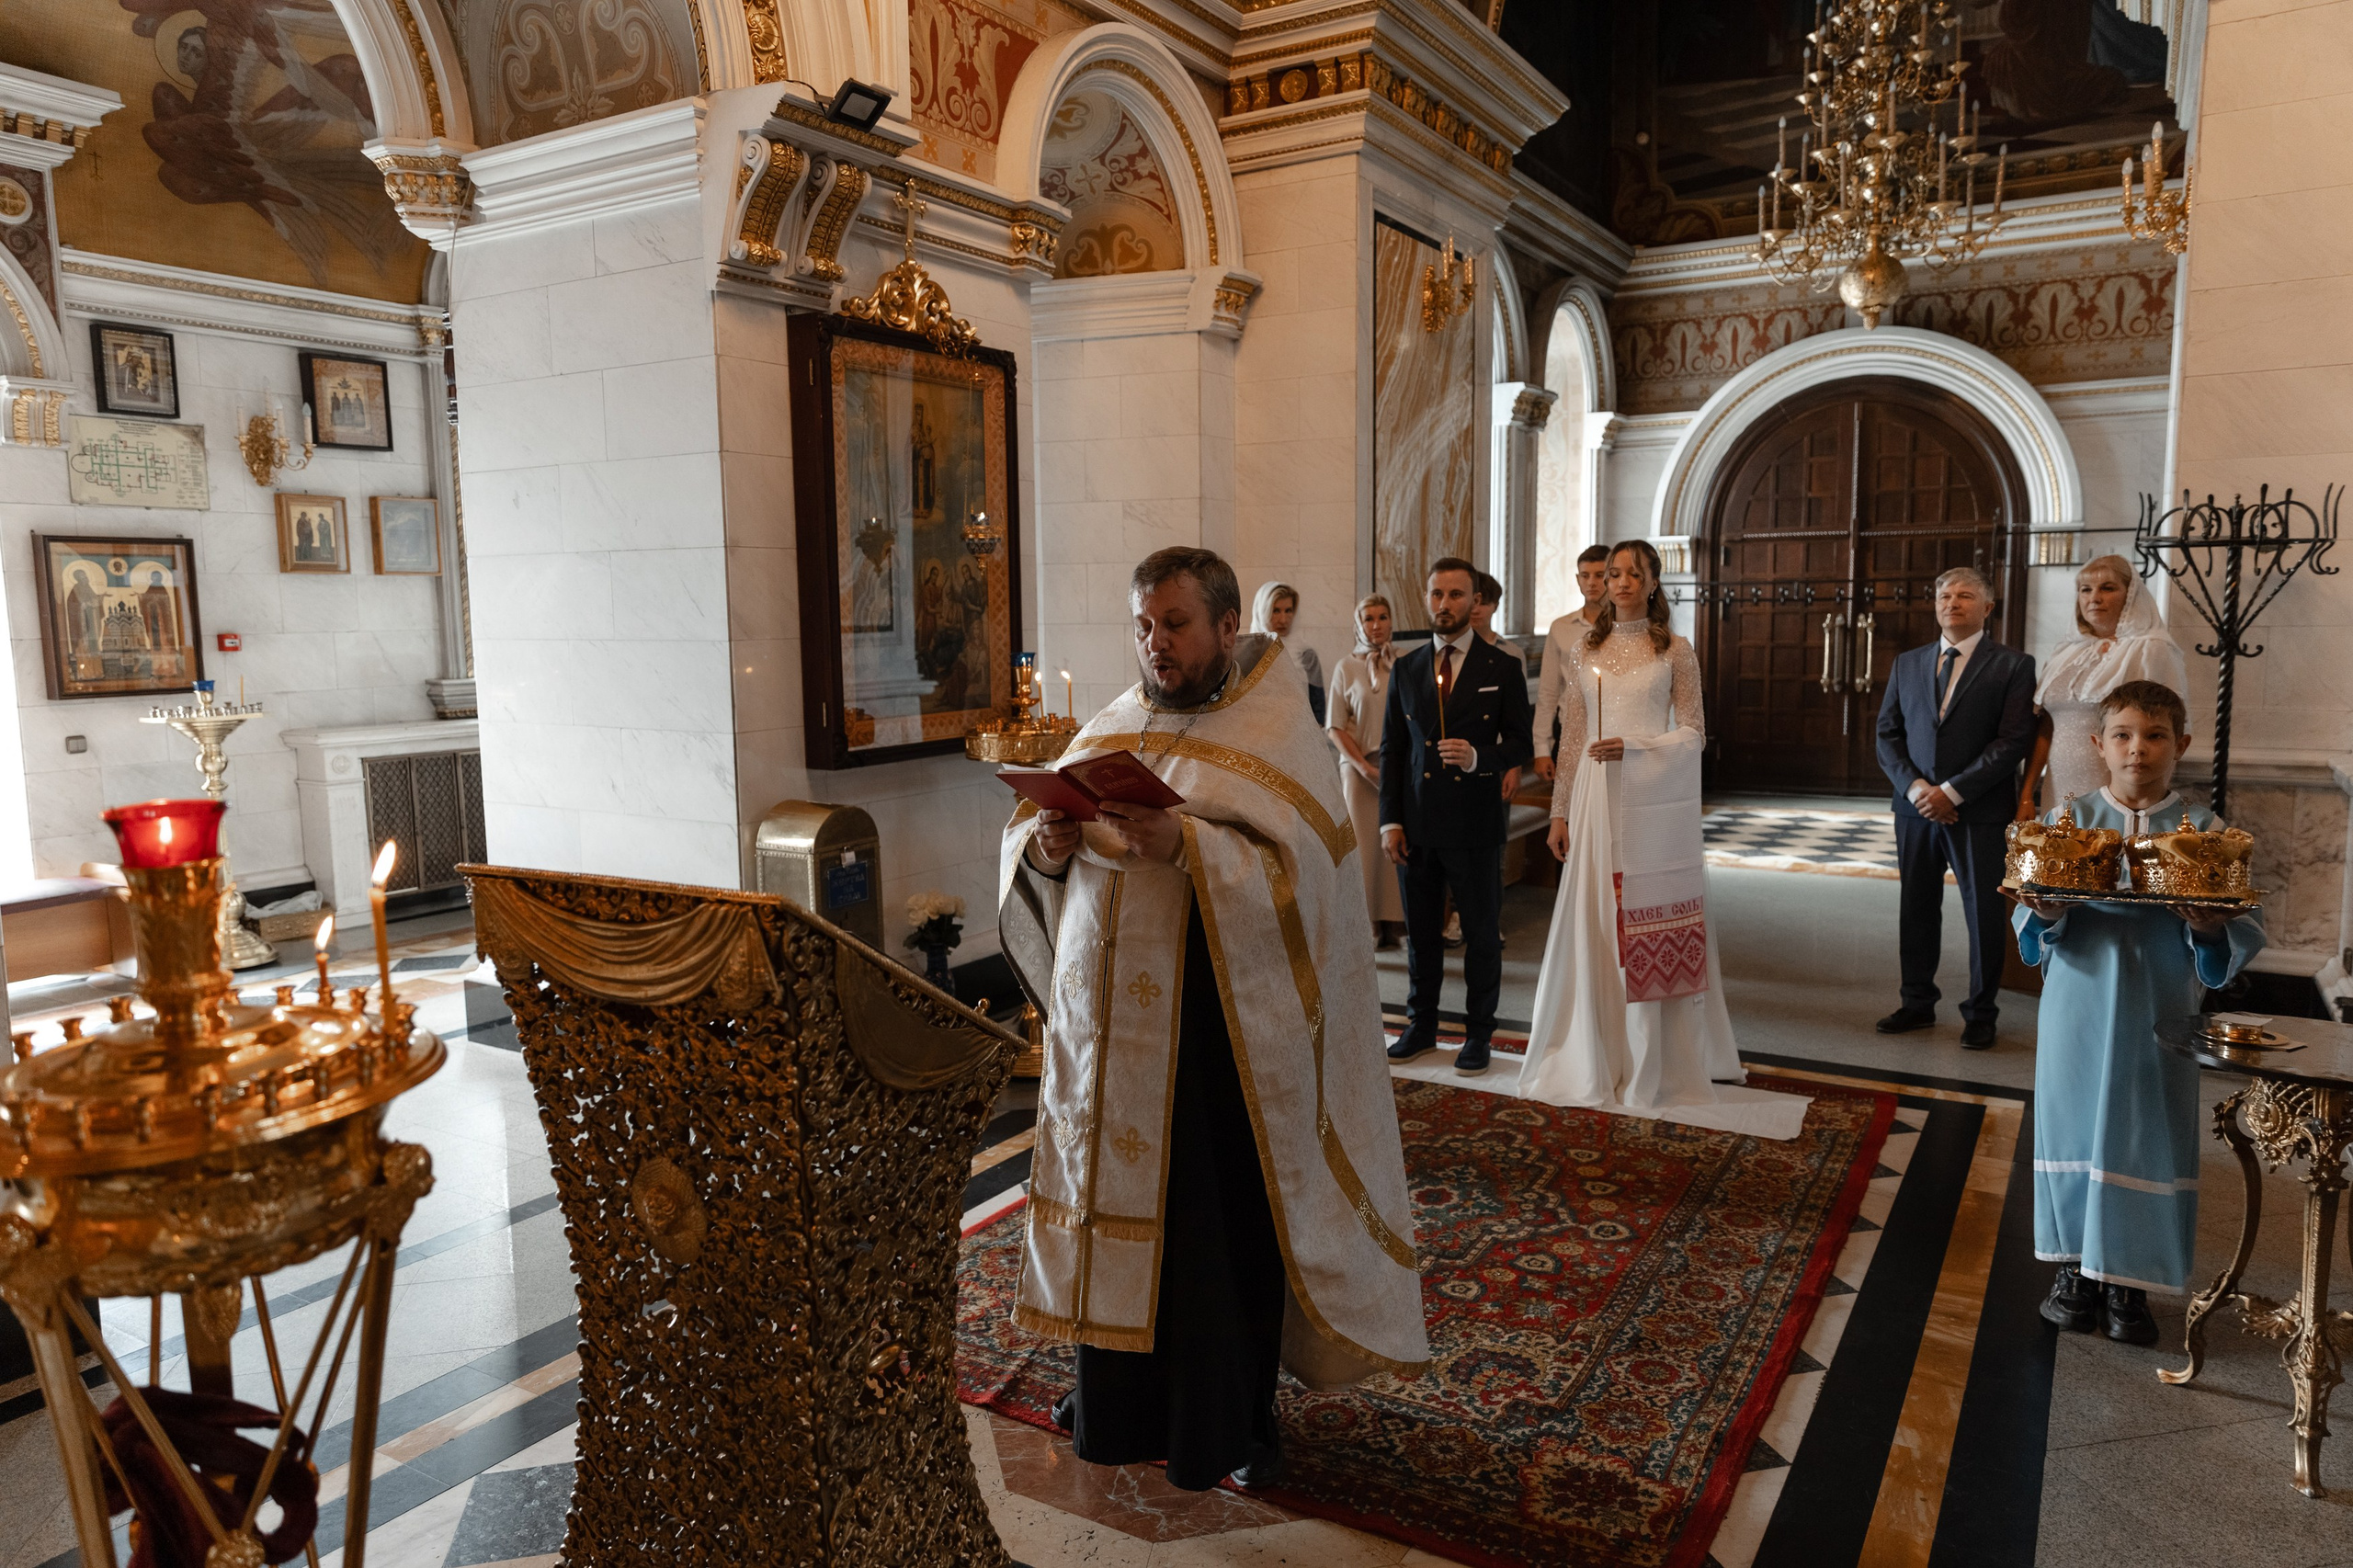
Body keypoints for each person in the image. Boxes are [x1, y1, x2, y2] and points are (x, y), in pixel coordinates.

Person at [998, 546, 1428, 1491]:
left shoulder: (1281, 734)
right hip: (1107, 1044)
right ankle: (1114, 1406)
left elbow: (1309, 876)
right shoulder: (1114, 722)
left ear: (1227, 626)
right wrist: (1049, 844)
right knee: (1109, 1219)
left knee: (1208, 1231)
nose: (1155, 644)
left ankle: (1218, 1420)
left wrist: (1187, 841)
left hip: (1216, 1042)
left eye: (1175, 624)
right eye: (1143, 625)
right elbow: (1036, 869)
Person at [2012, 680, 2263, 1344]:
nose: (2138, 750)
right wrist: (2045, 912)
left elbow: (2235, 928)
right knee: (2073, 1126)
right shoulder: (2068, 824)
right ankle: (2076, 1274)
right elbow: (2031, 918)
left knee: (2146, 1128)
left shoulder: (2207, 833)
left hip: (2162, 1008)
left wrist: (2209, 929)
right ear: (2098, 744)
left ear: (2179, 745)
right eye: (2122, 735)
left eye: (2154, 736)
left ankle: (2130, 1282)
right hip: (2079, 1005)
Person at [1516, 540, 1745, 1112]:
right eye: (1612, 573)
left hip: (1650, 801)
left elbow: (1693, 733)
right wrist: (1560, 810)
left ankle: (1653, 1053)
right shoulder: (1584, 651)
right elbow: (1573, 738)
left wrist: (1638, 749)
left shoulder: (1675, 650)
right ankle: (1598, 1046)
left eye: (1631, 573)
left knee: (1639, 920)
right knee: (1598, 915)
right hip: (1595, 798)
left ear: (1651, 582)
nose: (1619, 582)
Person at [1380, 557, 1535, 1074]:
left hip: (1474, 822)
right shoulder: (1406, 668)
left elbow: (1520, 743)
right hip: (1418, 825)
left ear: (1474, 602)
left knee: (1482, 935)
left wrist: (1477, 758)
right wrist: (1390, 822)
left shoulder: (1502, 667)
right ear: (1427, 600)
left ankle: (1478, 1035)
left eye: (1455, 595)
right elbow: (1393, 752)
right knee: (1421, 936)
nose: (1444, 604)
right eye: (1437, 595)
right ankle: (1420, 1026)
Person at [1874, 566, 2039, 1050]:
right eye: (1944, 595)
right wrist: (1916, 790)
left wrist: (1953, 792)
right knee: (1917, 907)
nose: (1952, 603)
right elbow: (1887, 734)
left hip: (1980, 809)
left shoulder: (2013, 665)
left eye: (1965, 595)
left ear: (1987, 608)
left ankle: (1981, 1013)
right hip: (1915, 810)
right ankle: (1917, 1002)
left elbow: (2012, 742)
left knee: (1985, 913)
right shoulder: (1908, 662)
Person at [2017, 554, 2188, 818]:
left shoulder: (2150, 648)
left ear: (2131, 595)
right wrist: (2028, 792)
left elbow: (2167, 728)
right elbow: (2047, 726)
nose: (2094, 598)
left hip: (2117, 788)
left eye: (2107, 588)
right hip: (2058, 782)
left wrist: (2143, 802)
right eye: (2086, 589)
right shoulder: (2066, 652)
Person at [1327, 593, 1405, 949]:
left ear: (1392, 621)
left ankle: (1396, 922)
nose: (1376, 625)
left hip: (1398, 767)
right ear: (1359, 624)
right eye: (1369, 618)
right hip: (1359, 769)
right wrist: (1362, 766)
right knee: (1362, 848)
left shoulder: (1405, 663)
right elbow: (1335, 726)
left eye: (1382, 617)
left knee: (1394, 845)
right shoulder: (1346, 666)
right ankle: (1367, 922)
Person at [1534, 544, 1612, 785]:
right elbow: (1548, 692)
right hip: (1569, 730)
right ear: (1577, 579)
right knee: (1569, 813)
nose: (1592, 583)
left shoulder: (1626, 627)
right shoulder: (1561, 627)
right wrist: (1541, 749)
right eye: (1585, 576)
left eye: (1599, 575)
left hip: (1616, 732)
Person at [1251, 580, 1324, 724]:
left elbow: (1318, 711)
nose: (1283, 619)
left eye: (1288, 611)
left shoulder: (1307, 655)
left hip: (1299, 735)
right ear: (1262, 611)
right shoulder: (1249, 653)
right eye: (1276, 611)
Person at [1470, 569, 1527, 670]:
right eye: (1472, 603)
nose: (1475, 610)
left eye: (1483, 604)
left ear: (1495, 607)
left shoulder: (1512, 652)